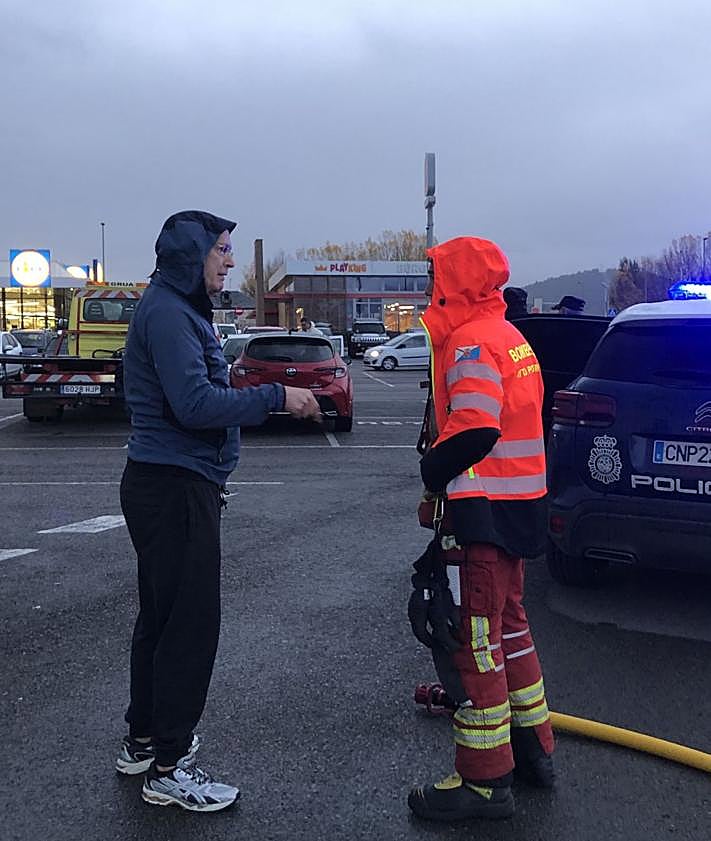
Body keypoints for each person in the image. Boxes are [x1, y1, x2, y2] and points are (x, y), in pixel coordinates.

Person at [117, 210, 320, 812]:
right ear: (192, 254)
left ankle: (144, 740)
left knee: (162, 620)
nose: (230, 261)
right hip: (175, 489)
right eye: (222, 249)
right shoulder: (170, 314)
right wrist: (276, 396)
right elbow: (195, 405)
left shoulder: (176, 308)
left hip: (167, 485)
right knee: (189, 628)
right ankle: (170, 766)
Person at [407, 237, 554, 822]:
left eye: (434, 277)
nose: (428, 288)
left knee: (477, 644)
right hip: (517, 510)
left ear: (456, 282)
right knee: (512, 631)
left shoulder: (469, 341)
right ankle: (535, 750)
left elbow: (475, 427)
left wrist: (431, 473)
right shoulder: (510, 336)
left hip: (483, 516)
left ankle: (485, 782)